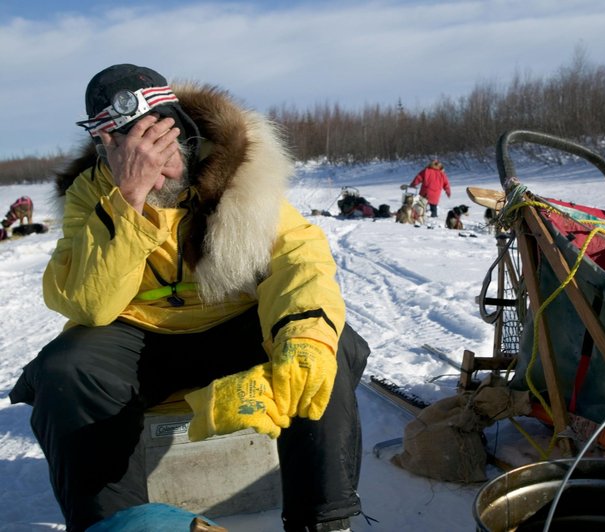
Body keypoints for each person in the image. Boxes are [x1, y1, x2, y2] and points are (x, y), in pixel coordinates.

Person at [10, 64, 369, 532]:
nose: (155, 165)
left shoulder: (237, 171)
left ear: (185, 130)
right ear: (109, 150)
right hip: (140, 337)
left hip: (232, 324)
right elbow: (90, 303)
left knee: (323, 345)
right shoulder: (91, 194)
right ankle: (117, 524)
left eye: (161, 142)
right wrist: (129, 200)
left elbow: (298, 258)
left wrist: (303, 339)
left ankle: (323, 521)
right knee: (66, 369)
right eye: (134, 152)